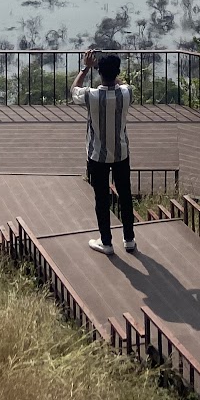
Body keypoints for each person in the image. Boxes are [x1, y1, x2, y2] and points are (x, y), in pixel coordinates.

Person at [71, 49, 135, 255]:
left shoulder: (91, 96)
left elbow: (74, 90)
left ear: (99, 73)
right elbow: (122, 83)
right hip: (121, 153)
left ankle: (106, 242)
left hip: (97, 155)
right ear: (117, 73)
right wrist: (112, 73)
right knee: (125, 195)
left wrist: (85, 67)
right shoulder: (127, 93)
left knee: (101, 198)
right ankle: (129, 239)